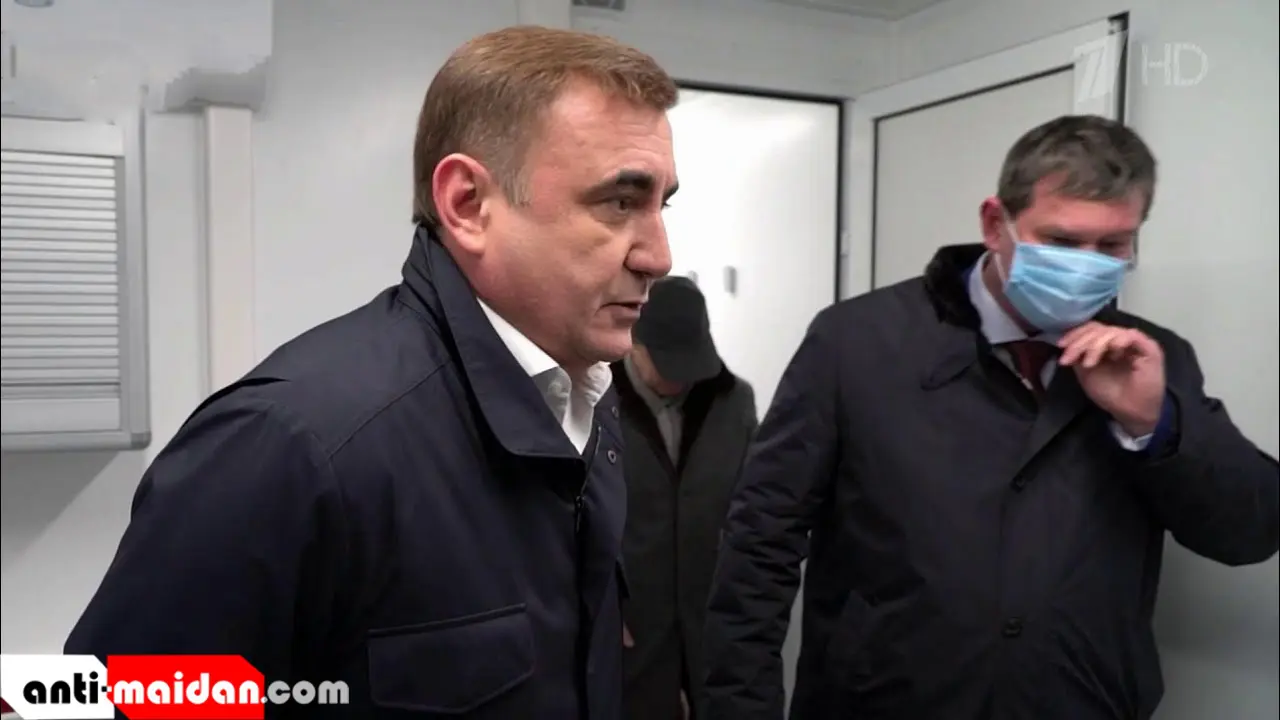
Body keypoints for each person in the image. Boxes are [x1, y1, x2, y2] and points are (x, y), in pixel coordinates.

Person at [65, 26, 679, 719]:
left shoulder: (587, 408)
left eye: (662, 204)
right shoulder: (290, 446)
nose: (659, 255)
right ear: (468, 205)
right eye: (619, 202)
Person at [701, 114, 1279, 720]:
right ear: (994, 224)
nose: (1087, 266)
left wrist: (1155, 421)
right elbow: (760, 541)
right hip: (886, 701)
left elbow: (1250, 531)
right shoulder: (856, 341)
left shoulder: (1152, 360)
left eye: (1113, 245)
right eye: (1061, 241)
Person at [613, 276, 758, 720]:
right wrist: (596, 605)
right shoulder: (593, 403)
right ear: (634, 344)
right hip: (631, 626)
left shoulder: (733, 401)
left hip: (713, 620)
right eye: (667, 364)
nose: (681, 380)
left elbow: (753, 509)